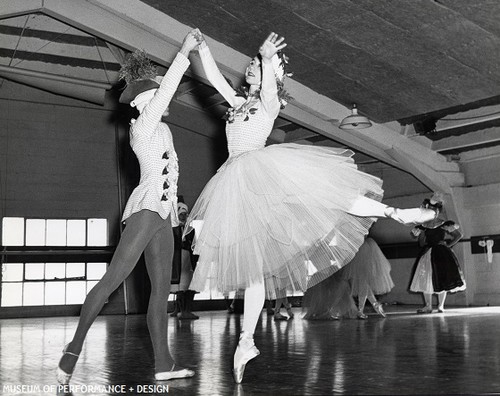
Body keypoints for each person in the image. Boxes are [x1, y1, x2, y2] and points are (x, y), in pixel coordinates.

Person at [184, 31, 437, 384]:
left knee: (327, 196)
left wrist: (269, 57)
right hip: (237, 183)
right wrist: (202, 47)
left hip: (262, 172)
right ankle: (245, 342)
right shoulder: (238, 103)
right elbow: (211, 77)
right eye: (251, 65)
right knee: (255, 271)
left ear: (272, 74)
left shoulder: (268, 103)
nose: (250, 68)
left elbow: (271, 87)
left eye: (256, 66)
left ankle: (396, 213)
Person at [56, 30, 202, 384]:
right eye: (156, 95)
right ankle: (71, 353)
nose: (165, 99)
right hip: (147, 209)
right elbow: (166, 91)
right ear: (143, 102)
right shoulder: (143, 127)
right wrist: (183, 52)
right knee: (111, 282)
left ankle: (164, 363)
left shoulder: (160, 128)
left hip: (164, 214)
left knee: (159, 291)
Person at [408, 194, 466, 313]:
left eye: (435, 210)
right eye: (430, 210)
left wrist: (448, 245)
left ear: (438, 211)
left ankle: (441, 305)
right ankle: (428, 306)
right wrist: (421, 234)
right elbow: (422, 243)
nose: (433, 212)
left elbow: (458, 235)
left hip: (441, 253)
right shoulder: (423, 225)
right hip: (428, 252)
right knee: (425, 277)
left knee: (442, 277)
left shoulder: (444, 223)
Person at [343, 237, 394, 319]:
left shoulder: (366, 242)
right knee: (364, 287)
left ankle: (364, 309)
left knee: (364, 287)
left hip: (363, 256)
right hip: (360, 257)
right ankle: (373, 306)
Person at [170, 202, 199, 320]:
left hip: (187, 260)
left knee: (188, 285)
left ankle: (186, 310)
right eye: (181, 214)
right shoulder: (173, 228)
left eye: (185, 214)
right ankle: (180, 310)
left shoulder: (190, 230)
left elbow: (194, 246)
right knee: (179, 286)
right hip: (177, 259)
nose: (184, 216)